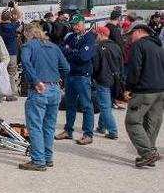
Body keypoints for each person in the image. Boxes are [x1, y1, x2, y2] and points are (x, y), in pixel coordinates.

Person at [19, 23, 70, 171]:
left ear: (28, 34)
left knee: (35, 126)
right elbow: (66, 67)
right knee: (49, 126)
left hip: (39, 89)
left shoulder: (28, 46)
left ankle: (38, 160)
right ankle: (47, 158)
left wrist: (35, 81)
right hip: (54, 89)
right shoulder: (54, 46)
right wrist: (56, 78)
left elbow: (26, 63)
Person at [124, 22, 164, 167]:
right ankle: (150, 151)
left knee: (132, 121)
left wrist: (129, 87)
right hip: (160, 91)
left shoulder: (139, 45)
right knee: (152, 122)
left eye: (130, 34)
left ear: (139, 31)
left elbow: (135, 68)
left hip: (144, 91)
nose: (129, 38)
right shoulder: (159, 46)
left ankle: (148, 154)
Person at [55, 15, 97, 145]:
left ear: (83, 24)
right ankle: (68, 130)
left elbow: (84, 57)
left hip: (82, 76)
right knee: (70, 104)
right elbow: (61, 50)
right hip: (70, 75)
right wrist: (73, 52)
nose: (75, 27)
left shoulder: (89, 38)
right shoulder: (71, 36)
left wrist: (70, 51)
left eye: (77, 24)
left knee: (86, 105)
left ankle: (88, 133)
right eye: (73, 24)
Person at [92, 25, 124, 140]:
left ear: (101, 34)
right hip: (115, 80)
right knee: (106, 104)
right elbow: (121, 64)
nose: (95, 36)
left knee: (105, 106)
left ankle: (113, 131)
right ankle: (101, 126)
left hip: (103, 79)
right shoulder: (116, 46)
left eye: (96, 34)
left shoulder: (98, 47)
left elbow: (95, 66)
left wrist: (94, 77)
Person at [0, 9, 21, 101]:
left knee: (1, 74)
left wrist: (1, 13)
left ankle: (1, 94)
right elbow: (19, 18)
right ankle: (12, 94)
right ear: (10, 17)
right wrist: (15, 8)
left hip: (1, 53)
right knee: (11, 74)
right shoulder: (13, 26)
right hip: (12, 52)